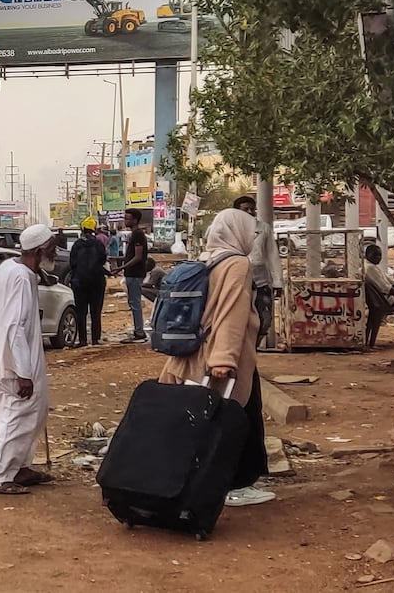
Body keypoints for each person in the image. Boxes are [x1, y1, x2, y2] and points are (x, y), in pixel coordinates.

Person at [158, 208, 272, 508]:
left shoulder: (208, 259)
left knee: (205, 419)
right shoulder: (237, 264)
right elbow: (231, 313)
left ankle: (191, 479)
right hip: (223, 358)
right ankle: (235, 484)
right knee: (234, 419)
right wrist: (225, 360)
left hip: (195, 354)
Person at [0, 223, 57, 495]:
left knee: (31, 414)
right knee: (18, 414)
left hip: (0, 352)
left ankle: (19, 467)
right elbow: (15, 327)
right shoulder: (21, 277)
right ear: (39, 251)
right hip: (13, 358)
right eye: (52, 248)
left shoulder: (12, 268)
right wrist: (23, 372)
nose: (55, 253)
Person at [233, 196, 284, 346]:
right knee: (237, 322)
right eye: (245, 209)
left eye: (252, 209)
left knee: (263, 321)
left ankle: (252, 351)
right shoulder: (230, 228)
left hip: (261, 282)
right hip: (236, 282)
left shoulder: (264, 228)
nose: (249, 212)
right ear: (236, 211)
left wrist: (278, 282)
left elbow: (272, 256)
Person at [69, 217, 109, 347]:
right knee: (95, 312)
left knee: (81, 313)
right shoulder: (98, 244)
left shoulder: (77, 245)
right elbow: (103, 260)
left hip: (80, 282)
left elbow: (72, 263)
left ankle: (82, 340)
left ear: (82, 229)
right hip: (97, 281)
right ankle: (96, 339)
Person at [112, 208, 149, 343]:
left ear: (135, 220)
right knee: (133, 302)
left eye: (127, 218)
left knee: (135, 303)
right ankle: (138, 331)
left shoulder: (138, 235)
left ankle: (139, 333)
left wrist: (121, 267)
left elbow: (138, 257)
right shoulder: (134, 234)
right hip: (132, 273)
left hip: (135, 273)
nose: (125, 220)